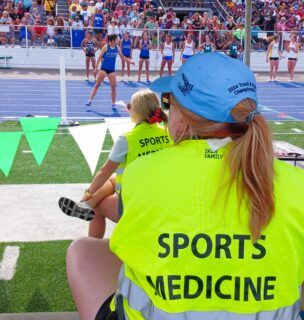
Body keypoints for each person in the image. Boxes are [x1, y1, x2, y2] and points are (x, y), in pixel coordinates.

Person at [66, 53, 304, 320]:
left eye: (169, 102)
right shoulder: (297, 185)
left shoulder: (141, 173)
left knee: (84, 250)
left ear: (182, 118)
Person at [59, 89, 171, 239]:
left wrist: (88, 193)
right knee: (112, 179)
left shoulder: (127, 138)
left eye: (130, 105)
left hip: (136, 205)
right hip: (165, 198)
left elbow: (103, 171)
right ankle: (86, 205)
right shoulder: (168, 132)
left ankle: (89, 219)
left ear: (135, 110)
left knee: (97, 207)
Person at [86, 34, 134, 110]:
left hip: (111, 70)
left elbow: (122, 56)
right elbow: (99, 57)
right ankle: (90, 100)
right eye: (117, 39)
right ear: (112, 41)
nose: (118, 40)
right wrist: (96, 68)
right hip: (103, 69)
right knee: (97, 85)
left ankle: (113, 104)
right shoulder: (106, 47)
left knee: (113, 88)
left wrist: (130, 61)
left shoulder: (117, 48)